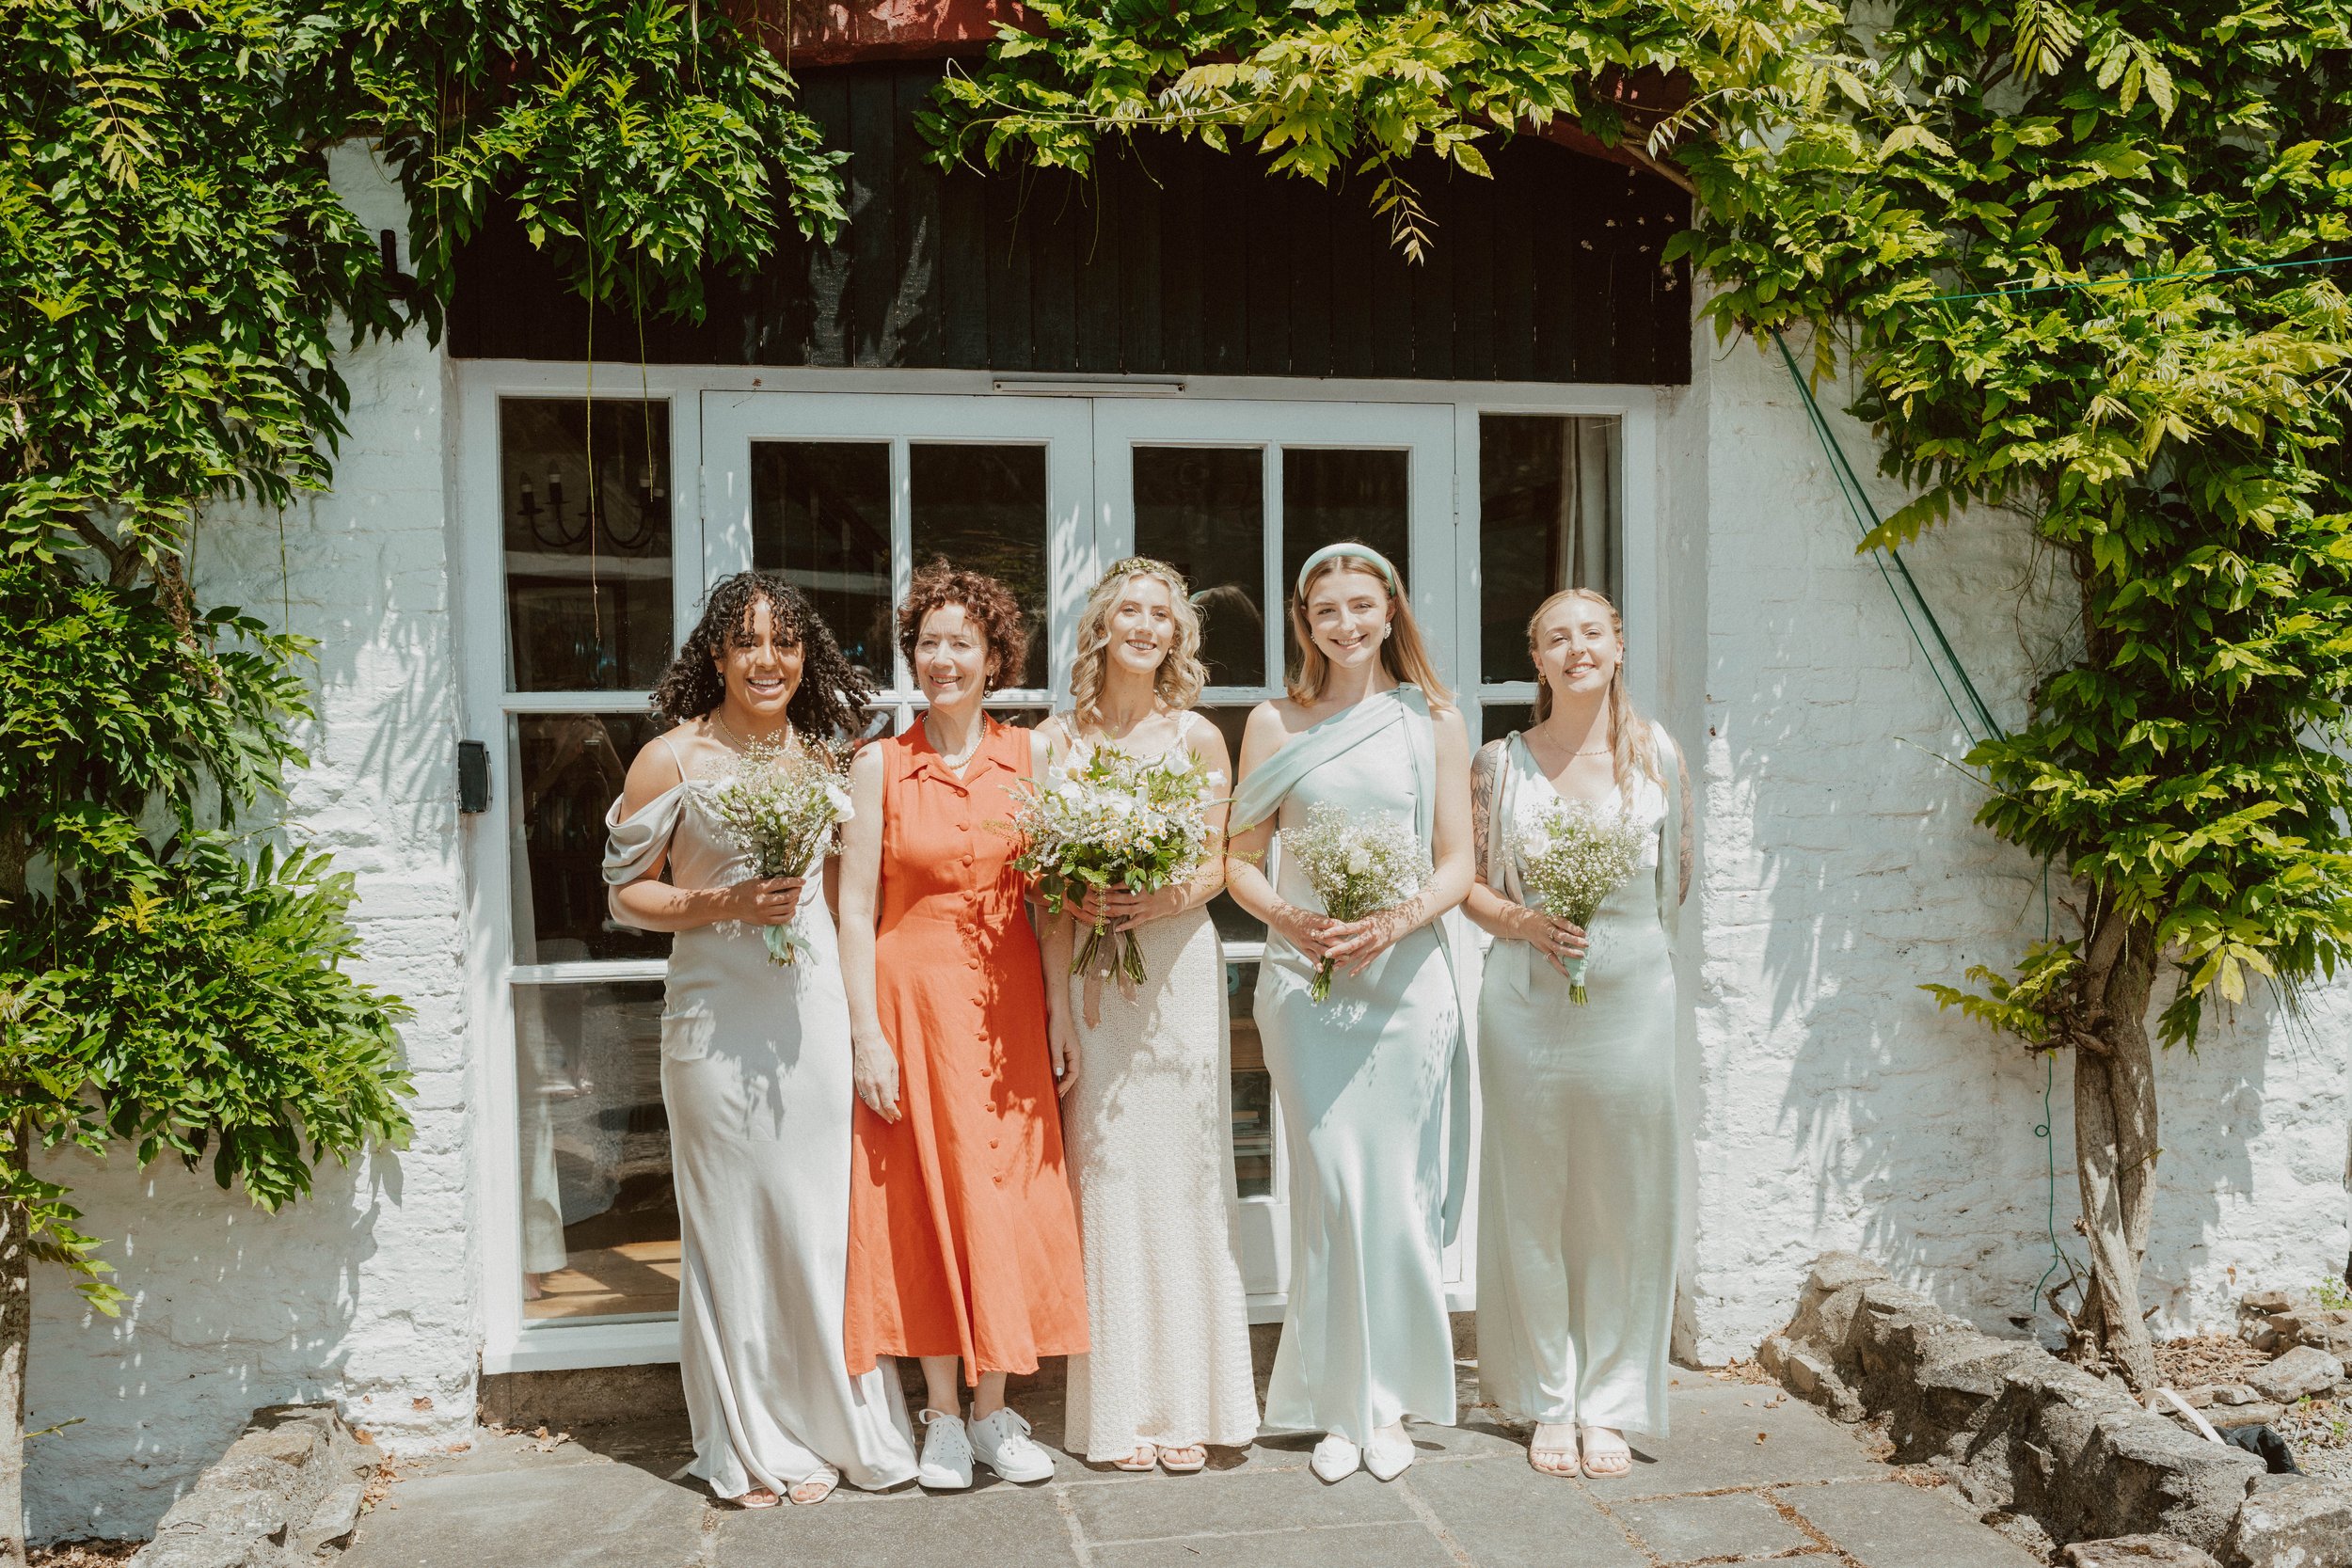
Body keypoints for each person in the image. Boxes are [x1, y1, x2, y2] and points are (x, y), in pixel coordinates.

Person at [602, 571, 918, 1508]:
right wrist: (721, 901)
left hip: (810, 1016)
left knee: (818, 1223)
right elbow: (626, 894)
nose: (768, 659)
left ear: (805, 656)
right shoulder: (671, 759)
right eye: (747, 641)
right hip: (714, 1019)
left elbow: (841, 897)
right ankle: (745, 1439)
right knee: (730, 1227)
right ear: (716, 654)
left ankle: (834, 1422)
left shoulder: (824, 760)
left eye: (786, 642)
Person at [1222, 542, 1473, 1484]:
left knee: (1398, 1196)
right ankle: (1334, 1404)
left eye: (1361, 606)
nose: (1346, 623)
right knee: (1329, 1193)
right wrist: (1291, 915)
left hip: (1406, 985)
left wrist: (1395, 920)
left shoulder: (1431, 720)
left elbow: (1456, 860)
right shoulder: (1273, 722)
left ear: (1390, 609)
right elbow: (1239, 857)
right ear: (1305, 620)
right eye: (1326, 610)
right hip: (1307, 984)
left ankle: (1389, 1400)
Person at [839, 561, 1089, 1491]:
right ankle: (939, 1413)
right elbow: (852, 910)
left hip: (1007, 1005)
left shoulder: (1032, 760)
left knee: (1002, 1196)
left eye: (961, 642)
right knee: (923, 1195)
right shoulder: (878, 763)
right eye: (928, 642)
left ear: (994, 657)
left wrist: (1061, 1007)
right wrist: (863, 1030)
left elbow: (1054, 904)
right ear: (912, 655)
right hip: (910, 1000)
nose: (942, 658)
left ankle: (993, 1412)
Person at [1035, 559, 1261, 1475]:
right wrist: (1055, 1004)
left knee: (1183, 1174)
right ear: (1100, 626)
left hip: (1173, 972)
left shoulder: (1200, 738)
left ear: (1176, 634)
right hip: (1092, 985)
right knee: (1108, 1176)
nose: (1143, 625)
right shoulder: (1056, 742)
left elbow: (1222, 864)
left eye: (1159, 614)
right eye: (1126, 609)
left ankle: (1192, 1405)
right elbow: (1046, 890)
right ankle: (1119, 1408)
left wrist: (1157, 896)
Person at [1464, 587, 1691, 1481]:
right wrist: (1523, 925)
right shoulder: (1499, 763)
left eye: (1592, 633)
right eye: (1557, 636)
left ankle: (1612, 1401)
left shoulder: (1661, 756)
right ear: (1538, 656)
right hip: (1524, 1003)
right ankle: (1544, 1395)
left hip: (1632, 1000)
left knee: (1623, 1200)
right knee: (1533, 1196)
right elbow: (1473, 886)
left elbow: (1679, 878)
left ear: (1619, 645)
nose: (1577, 648)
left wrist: (1620, 949)